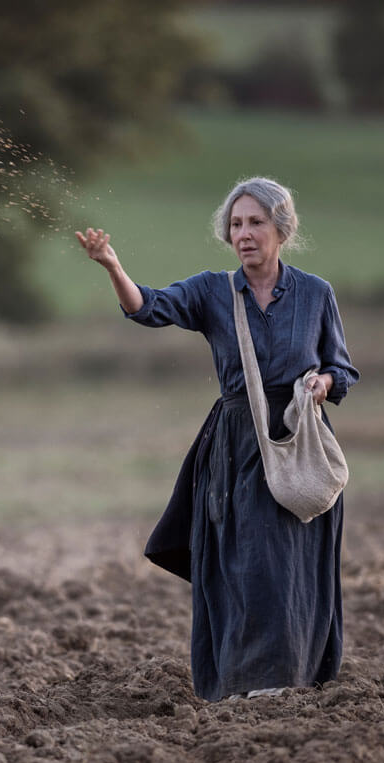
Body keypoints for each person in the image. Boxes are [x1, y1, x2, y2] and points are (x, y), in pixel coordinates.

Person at [75, 177, 359, 702]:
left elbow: (343, 369)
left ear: (282, 228)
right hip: (235, 449)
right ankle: (245, 683)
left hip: (299, 445)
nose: (244, 234)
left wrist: (322, 384)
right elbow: (148, 307)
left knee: (294, 567)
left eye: (255, 223)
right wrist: (114, 268)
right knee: (248, 565)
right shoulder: (212, 290)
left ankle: (297, 680)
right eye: (235, 224)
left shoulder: (317, 294)